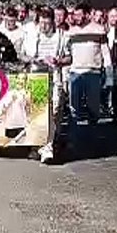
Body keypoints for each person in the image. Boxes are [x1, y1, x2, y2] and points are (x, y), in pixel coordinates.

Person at [24, 9, 71, 164]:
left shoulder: (62, 37)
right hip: (37, 75)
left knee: (55, 110)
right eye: (41, 23)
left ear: (52, 22)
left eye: (47, 23)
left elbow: (69, 58)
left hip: (54, 76)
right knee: (40, 112)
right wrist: (34, 59)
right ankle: (45, 148)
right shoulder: (32, 36)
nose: (43, 26)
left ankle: (47, 145)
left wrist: (58, 61)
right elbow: (22, 55)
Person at [64, 4, 113, 151]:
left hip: (93, 73)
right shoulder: (71, 32)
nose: (76, 18)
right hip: (75, 73)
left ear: (87, 15)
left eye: (79, 15)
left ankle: (93, 137)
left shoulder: (99, 30)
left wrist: (109, 76)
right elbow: (66, 52)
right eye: (75, 15)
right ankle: (73, 139)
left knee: (93, 107)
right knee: (74, 108)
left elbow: (106, 54)